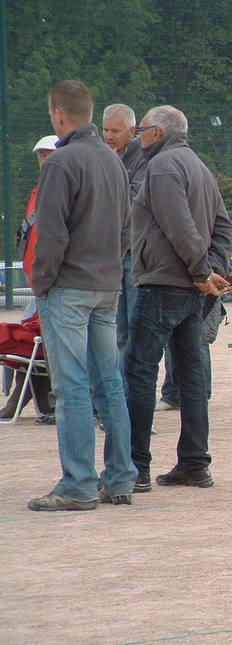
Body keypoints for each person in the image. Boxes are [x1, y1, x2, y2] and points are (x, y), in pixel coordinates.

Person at [27, 80, 137, 511]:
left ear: (58, 114)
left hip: (68, 287)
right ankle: (121, 477)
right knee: (110, 383)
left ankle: (78, 483)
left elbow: (50, 234)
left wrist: (42, 282)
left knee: (71, 387)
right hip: (107, 285)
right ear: (91, 114)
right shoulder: (114, 162)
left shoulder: (60, 163)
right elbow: (127, 230)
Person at [124, 105, 232, 493]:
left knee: (138, 372)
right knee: (190, 376)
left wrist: (203, 271)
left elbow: (178, 225)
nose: (136, 136)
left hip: (164, 286)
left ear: (156, 132)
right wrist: (210, 272)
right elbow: (223, 225)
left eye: (141, 130)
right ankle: (194, 463)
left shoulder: (162, 167)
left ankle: (134, 468)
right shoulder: (198, 166)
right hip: (191, 289)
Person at [0, 135, 59, 423]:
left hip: (54, 283)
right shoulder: (38, 191)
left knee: (32, 338)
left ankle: (25, 403)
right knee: (30, 339)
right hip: (38, 280)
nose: (44, 160)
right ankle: (28, 402)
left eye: (49, 155)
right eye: (41, 156)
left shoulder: (61, 189)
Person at [102, 104, 147, 369]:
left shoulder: (144, 157)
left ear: (132, 130)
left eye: (115, 131)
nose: (109, 136)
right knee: (118, 331)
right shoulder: (103, 154)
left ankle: (134, 393)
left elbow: (134, 201)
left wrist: (111, 167)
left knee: (135, 328)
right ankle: (119, 393)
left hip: (135, 254)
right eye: (105, 129)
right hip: (111, 254)